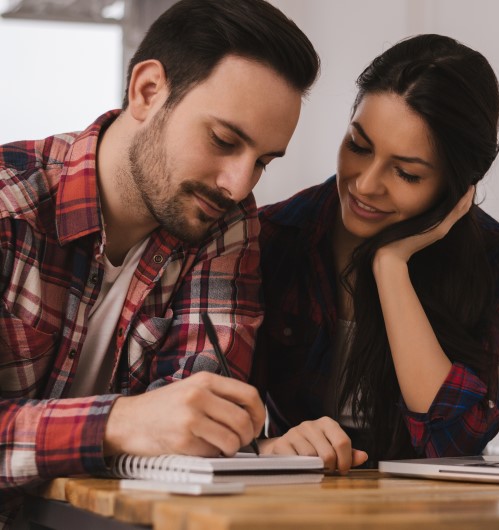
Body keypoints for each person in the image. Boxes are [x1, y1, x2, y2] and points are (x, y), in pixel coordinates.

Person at [0, 0, 319, 525]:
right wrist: (114, 423)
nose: (238, 184)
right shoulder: (11, 206)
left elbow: (197, 431)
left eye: (261, 161)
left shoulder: (224, 222)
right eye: (223, 140)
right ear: (148, 91)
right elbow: (149, 428)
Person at [252, 34, 499, 472]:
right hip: (296, 501)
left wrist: (390, 266)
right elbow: (220, 423)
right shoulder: (274, 236)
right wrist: (271, 447)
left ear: (458, 184)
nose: (365, 184)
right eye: (358, 147)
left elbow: (454, 443)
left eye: (406, 172)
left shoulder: (495, 257)